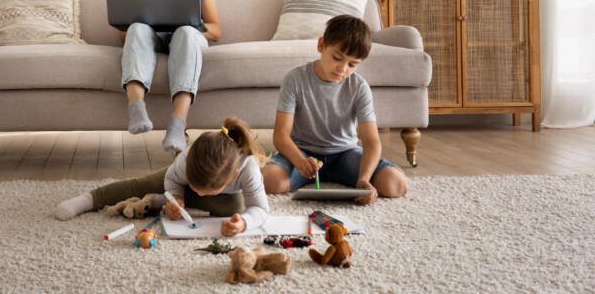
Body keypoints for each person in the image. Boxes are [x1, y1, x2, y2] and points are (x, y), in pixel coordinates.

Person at [261, 15, 408, 205]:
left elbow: (372, 142)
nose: (343, 68)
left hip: (345, 154)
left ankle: (384, 170)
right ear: (321, 45)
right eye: (337, 58)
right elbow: (280, 136)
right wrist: (299, 162)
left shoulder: (359, 88)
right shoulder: (294, 79)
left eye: (352, 64)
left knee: (396, 185)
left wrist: (364, 179)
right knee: (268, 180)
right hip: (303, 154)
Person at [54, 117, 270, 237]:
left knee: (234, 209)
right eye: (195, 187)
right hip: (178, 181)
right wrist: (176, 197)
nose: (199, 194)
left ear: (233, 174)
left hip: (226, 198)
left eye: (204, 191)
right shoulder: (187, 158)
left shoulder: (248, 168)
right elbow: (172, 181)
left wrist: (243, 223)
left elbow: (260, 209)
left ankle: (157, 202)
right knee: (144, 184)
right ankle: (90, 198)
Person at [122, 0, 222, 152]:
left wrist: (190, 26)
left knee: (186, 33)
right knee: (136, 28)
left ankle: (177, 126)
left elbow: (216, 30)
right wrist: (137, 25)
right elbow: (124, 35)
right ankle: (136, 109)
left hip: (187, 38)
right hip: (153, 38)